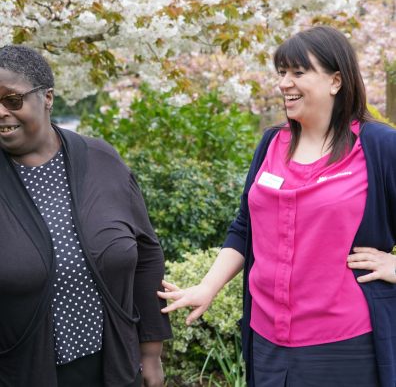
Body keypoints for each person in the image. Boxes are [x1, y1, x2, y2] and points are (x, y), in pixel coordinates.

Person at [158, 25, 396, 387]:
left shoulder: (379, 146)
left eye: (299, 72)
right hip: (267, 336)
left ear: (336, 81)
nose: (285, 83)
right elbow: (244, 227)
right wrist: (208, 286)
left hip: (345, 343)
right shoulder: (272, 143)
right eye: (282, 73)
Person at [0, 45, 172, 387]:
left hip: (114, 365)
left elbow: (146, 254)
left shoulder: (101, 160)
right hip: (22, 370)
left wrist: (151, 353)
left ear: (47, 98)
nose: (1, 112)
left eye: (12, 100)